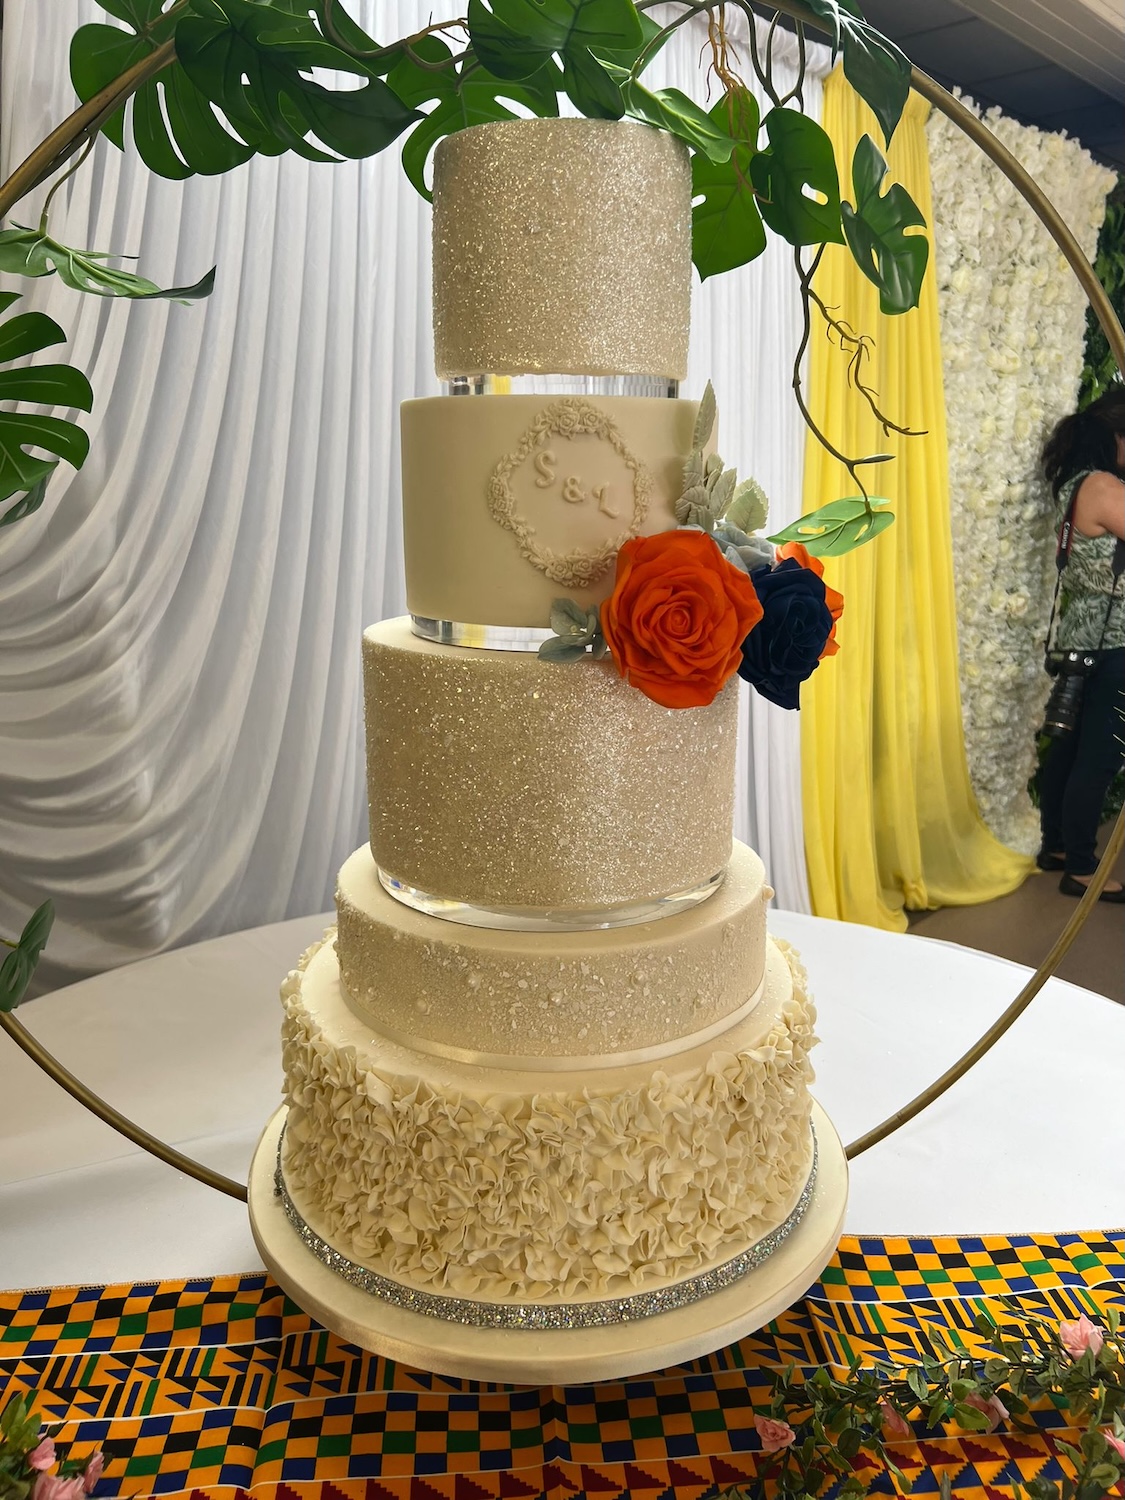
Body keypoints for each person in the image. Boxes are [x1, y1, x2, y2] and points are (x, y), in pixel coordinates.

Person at [1037, 385, 1125, 901]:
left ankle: (1059, 847)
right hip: (1112, 643)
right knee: (1100, 753)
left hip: (1079, 637)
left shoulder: (1076, 483)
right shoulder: (1105, 488)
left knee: (1069, 749)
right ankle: (1084, 868)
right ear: (1116, 437)